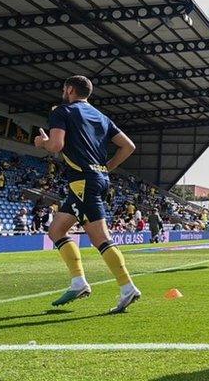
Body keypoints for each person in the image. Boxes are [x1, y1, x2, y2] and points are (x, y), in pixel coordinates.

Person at [36, 75, 140, 313]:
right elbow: (128, 146)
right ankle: (78, 281)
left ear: (70, 89)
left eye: (64, 88)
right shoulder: (102, 117)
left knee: (100, 238)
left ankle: (127, 287)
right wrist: (106, 168)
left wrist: (42, 142)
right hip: (92, 180)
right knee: (56, 230)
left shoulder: (62, 111)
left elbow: (56, 146)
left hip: (83, 181)